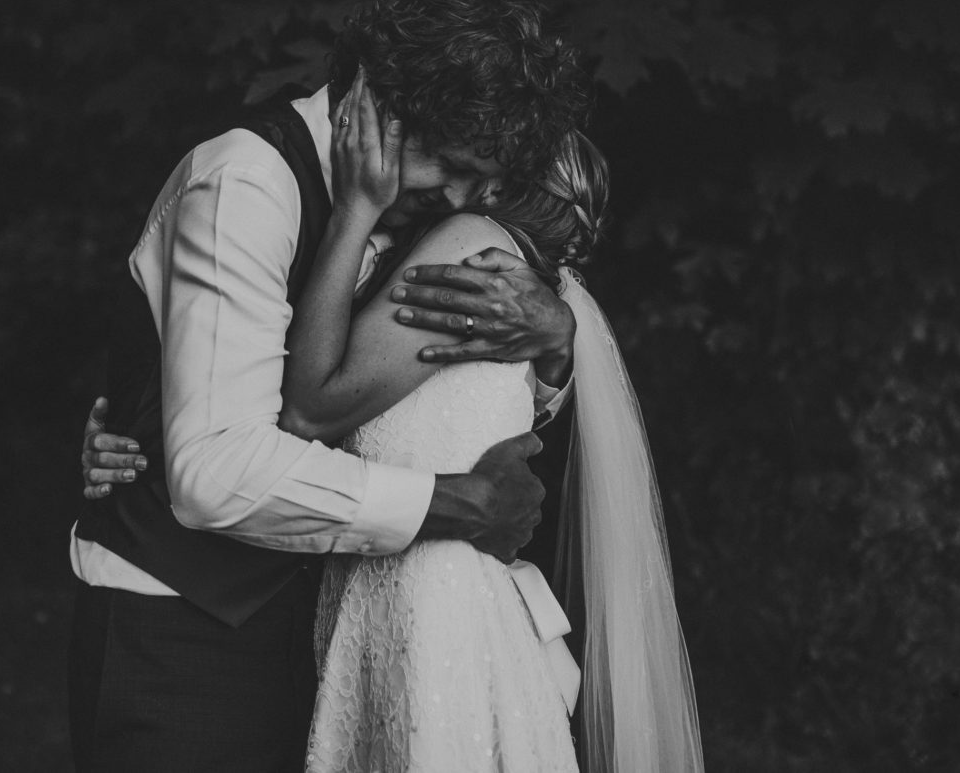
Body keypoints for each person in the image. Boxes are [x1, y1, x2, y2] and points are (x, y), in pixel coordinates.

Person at [69, 0, 589, 772]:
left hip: (332, 633)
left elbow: (430, 392)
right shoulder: (245, 183)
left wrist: (553, 343)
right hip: (184, 642)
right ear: (371, 104)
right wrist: (452, 506)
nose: (459, 197)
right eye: (447, 162)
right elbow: (216, 471)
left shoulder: (409, 212)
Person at [283, 76, 705, 771]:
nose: (450, 181)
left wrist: (354, 211)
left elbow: (314, 407)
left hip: (427, 601)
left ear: (501, 177)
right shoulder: (521, 282)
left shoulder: (468, 246)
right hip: (439, 591)